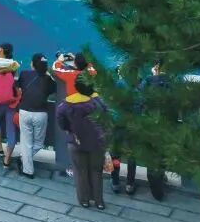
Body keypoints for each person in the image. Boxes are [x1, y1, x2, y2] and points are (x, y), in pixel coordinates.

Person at [111, 61, 170, 200]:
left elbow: (112, 99)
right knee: (132, 155)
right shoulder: (142, 85)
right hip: (134, 124)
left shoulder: (120, 83)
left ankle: (115, 182)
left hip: (118, 122)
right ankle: (130, 184)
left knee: (115, 153)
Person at [56, 75, 108, 210]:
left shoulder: (66, 104)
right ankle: (99, 201)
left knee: (80, 171)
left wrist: (70, 130)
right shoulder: (97, 102)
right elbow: (106, 117)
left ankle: (84, 200)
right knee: (96, 171)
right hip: (96, 142)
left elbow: (61, 123)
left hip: (76, 141)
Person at [16, 54, 56, 178]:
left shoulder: (24, 74)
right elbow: (54, 89)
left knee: (26, 143)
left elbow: (18, 86)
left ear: (32, 64)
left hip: (24, 111)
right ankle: (26, 165)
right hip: (40, 114)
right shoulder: (48, 79)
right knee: (39, 143)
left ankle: (26, 164)